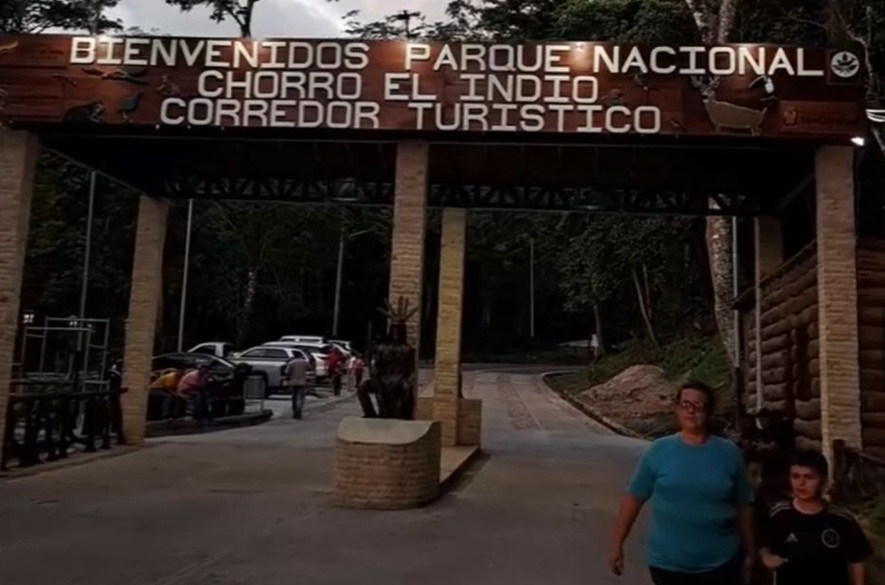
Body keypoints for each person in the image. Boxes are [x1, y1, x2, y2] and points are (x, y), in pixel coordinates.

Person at [608, 381, 756, 585]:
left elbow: (744, 506)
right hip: (667, 564)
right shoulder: (659, 451)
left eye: (698, 405)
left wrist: (751, 551)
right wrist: (617, 544)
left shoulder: (729, 453)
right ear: (676, 409)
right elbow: (633, 499)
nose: (691, 411)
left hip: (720, 563)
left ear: (709, 411)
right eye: (685, 404)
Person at [759, 450, 872, 585]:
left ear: (823, 480)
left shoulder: (841, 519)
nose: (801, 483)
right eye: (795, 476)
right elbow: (763, 543)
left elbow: (857, 560)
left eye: (809, 477)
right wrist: (766, 557)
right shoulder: (779, 514)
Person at [284, 351, 309, 419]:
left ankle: (294, 412)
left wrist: (287, 380)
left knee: (294, 397)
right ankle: (299, 409)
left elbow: (287, 372)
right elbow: (310, 368)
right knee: (301, 397)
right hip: (302, 382)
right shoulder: (304, 362)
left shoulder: (291, 362)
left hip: (293, 382)